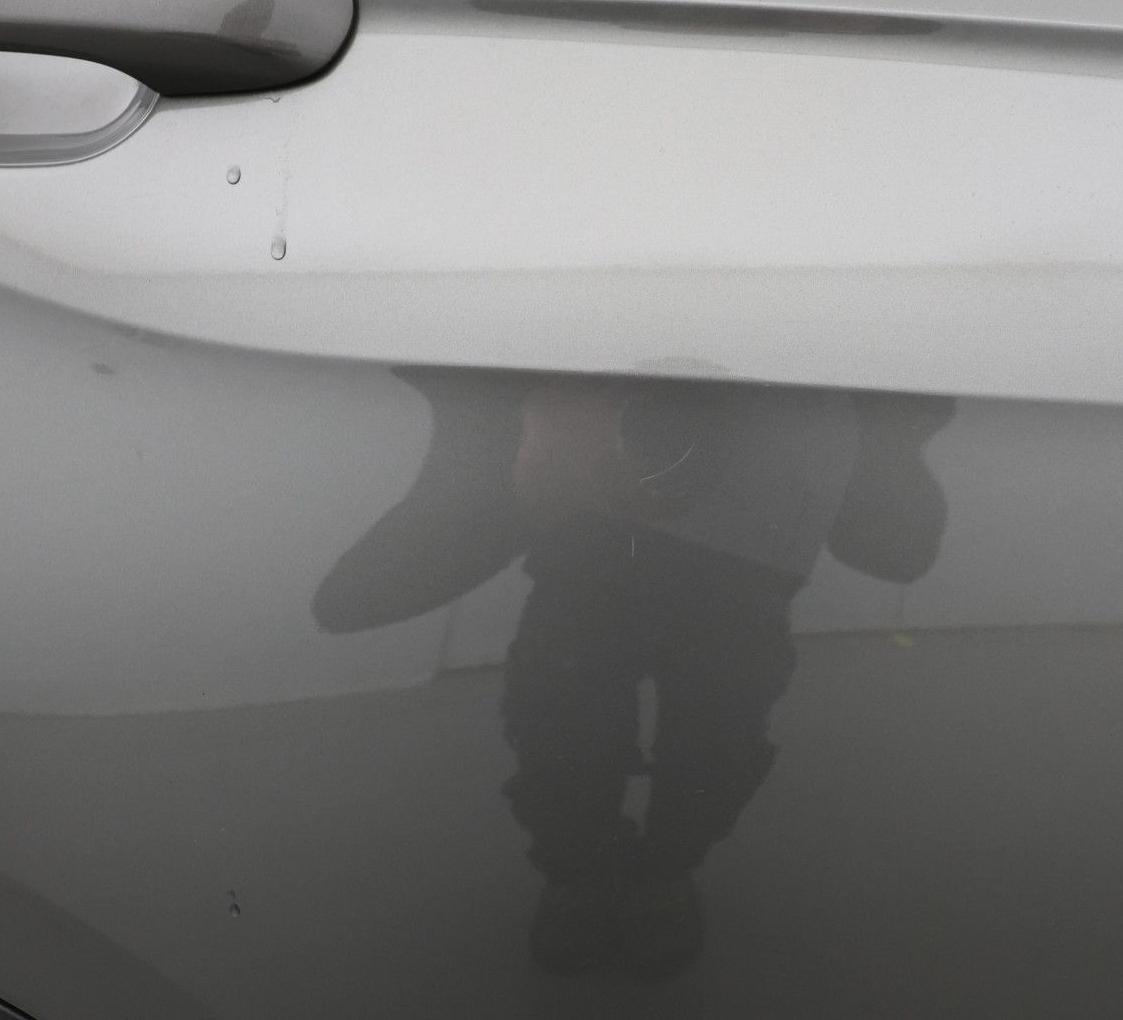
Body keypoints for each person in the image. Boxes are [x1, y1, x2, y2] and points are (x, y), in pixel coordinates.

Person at [315, 369, 953, 979]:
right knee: (563, 723)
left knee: (715, 735)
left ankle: (664, 872)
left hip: (744, 550)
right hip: (598, 534)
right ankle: (579, 872)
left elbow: (896, 536)